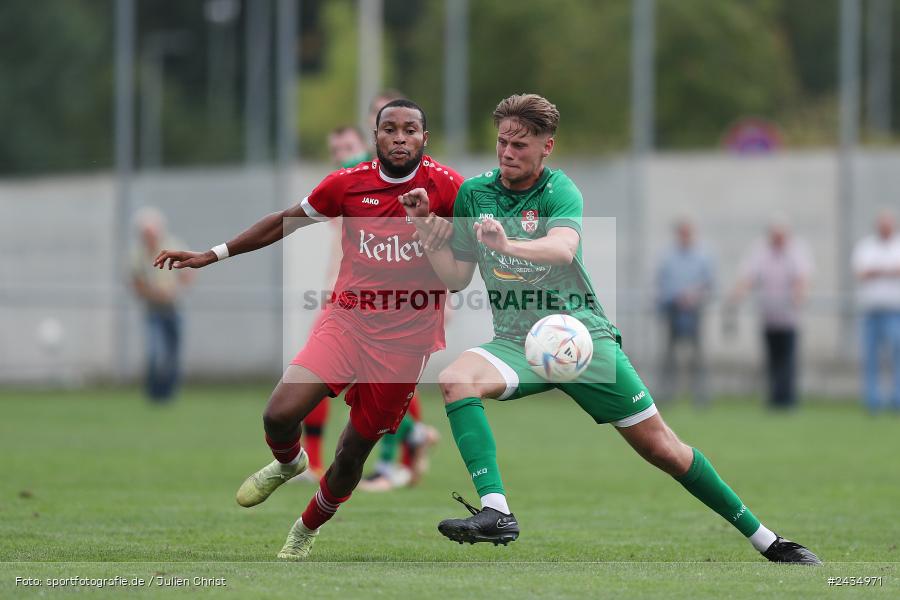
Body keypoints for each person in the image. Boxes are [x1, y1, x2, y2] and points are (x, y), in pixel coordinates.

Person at [400, 93, 820, 564]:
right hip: (518, 342)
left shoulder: (560, 190)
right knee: (456, 379)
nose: (508, 152)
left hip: (581, 340)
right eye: (502, 142)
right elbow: (456, 277)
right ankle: (496, 510)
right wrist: (421, 225)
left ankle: (768, 540)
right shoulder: (475, 194)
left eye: (520, 144)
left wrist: (508, 241)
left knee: (665, 450)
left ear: (547, 147)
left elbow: (561, 248)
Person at [154, 99, 462, 560]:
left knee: (351, 453)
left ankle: (306, 527)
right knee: (279, 413)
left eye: (411, 129)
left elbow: (460, 276)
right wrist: (211, 254)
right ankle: (289, 461)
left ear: (425, 138)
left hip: (405, 340)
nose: (400, 137)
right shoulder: (348, 183)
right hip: (348, 319)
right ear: (374, 137)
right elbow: (283, 222)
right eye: (390, 129)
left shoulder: (450, 188)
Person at [296, 121, 440, 489]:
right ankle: (409, 441)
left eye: (347, 148)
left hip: (380, 306)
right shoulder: (347, 184)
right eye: (336, 150)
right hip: (342, 299)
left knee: (369, 384)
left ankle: (386, 457)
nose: (341, 156)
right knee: (357, 382)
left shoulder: (384, 181)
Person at [730, 219, 813, 410]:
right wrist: (738, 294)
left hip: (789, 318)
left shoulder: (796, 251)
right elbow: (749, 275)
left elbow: (802, 277)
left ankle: (788, 399)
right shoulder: (761, 251)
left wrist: (799, 293)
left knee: (788, 360)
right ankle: (775, 398)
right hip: (768, 316)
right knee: (773, 359)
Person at [131, 207, 193, 403]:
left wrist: (175, 291)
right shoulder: (137, 256)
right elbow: (136, 284)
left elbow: (188, 272)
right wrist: (154, 294)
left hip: (174, 309)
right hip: (153, 311)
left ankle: (168, 396)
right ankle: (153, 395)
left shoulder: (173, 247)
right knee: (155, 353)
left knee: (172, 356)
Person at [655, 219, 714, 407]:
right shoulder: (668, 257)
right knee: (669, 357)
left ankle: (700, 397)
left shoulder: (702, 257)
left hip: (695, 313)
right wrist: (676, 298)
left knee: (697, 357)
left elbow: (710, 284)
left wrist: (694, 296)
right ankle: (666, 396)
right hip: (672, 311)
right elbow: (661, 284)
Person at [852, 209, 900, 414]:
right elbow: (862, 273)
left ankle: (897, 399)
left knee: (896, 356)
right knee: (870, 358)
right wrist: (887, 271)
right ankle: (873, 401)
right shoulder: (866, 246)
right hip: (871, 311)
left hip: (894, 312)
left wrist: (877, 271)